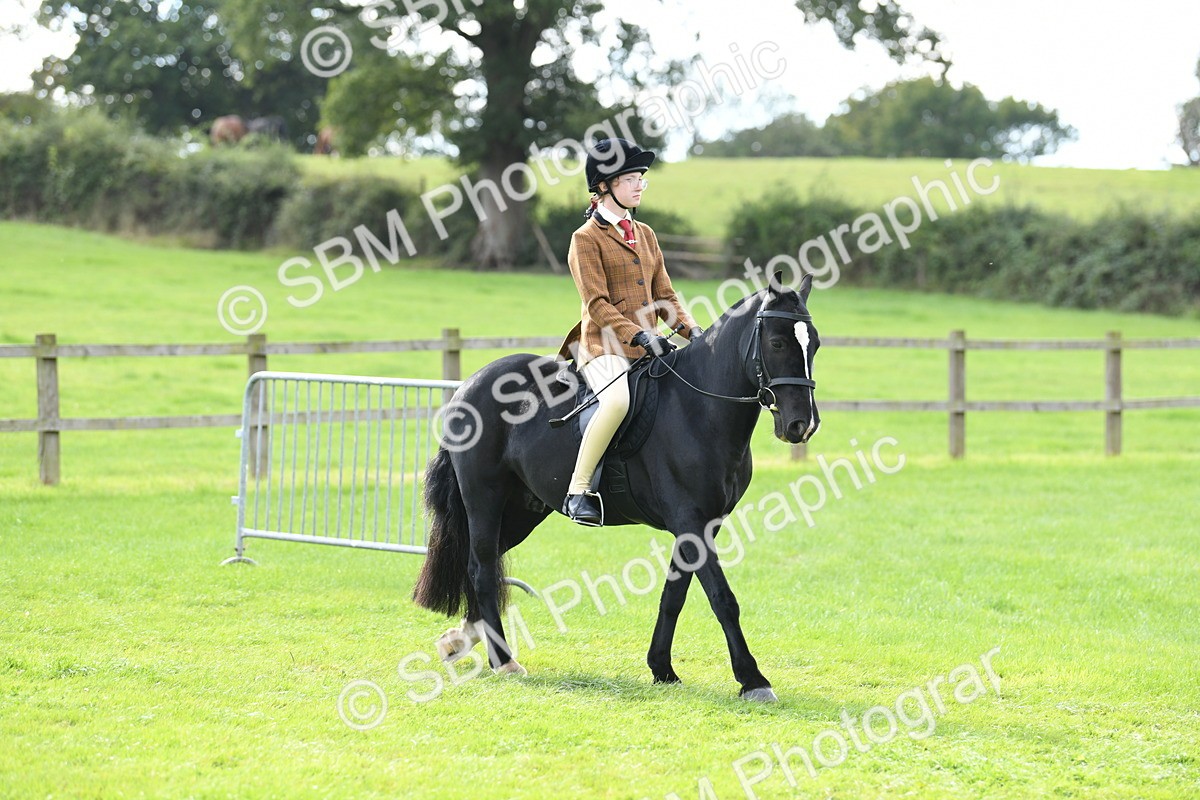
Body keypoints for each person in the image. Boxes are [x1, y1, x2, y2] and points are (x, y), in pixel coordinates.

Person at [557, 137, 702, 526]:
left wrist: (695, 332)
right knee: (617, 402)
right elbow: (596, 304)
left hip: (647, 349)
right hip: (601, 347)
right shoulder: (585, 239)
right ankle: (578, 491)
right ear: (605, 184)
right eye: (632, 178)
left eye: (642, 178)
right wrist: (638, 335)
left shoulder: (647, 235)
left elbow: (665, 296)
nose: (640, 185)